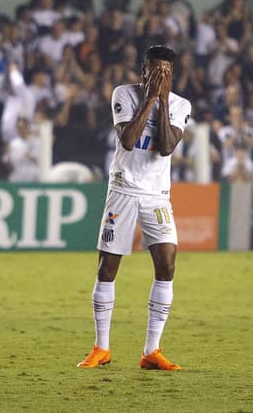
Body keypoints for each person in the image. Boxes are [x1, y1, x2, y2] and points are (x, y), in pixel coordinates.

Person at [77, 45, 191, 371]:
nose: (160, 77)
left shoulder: (181, 104)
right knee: (107, 268)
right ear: (143, 71)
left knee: (167, 264)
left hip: (157, 195)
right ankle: (102, 347)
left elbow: (167, 147)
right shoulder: (124, 95)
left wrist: (165, 99)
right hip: (123, 190)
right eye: (155, 71)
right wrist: (151, 98)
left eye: (166, 73)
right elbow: (128, 139)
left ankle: (151, 351)